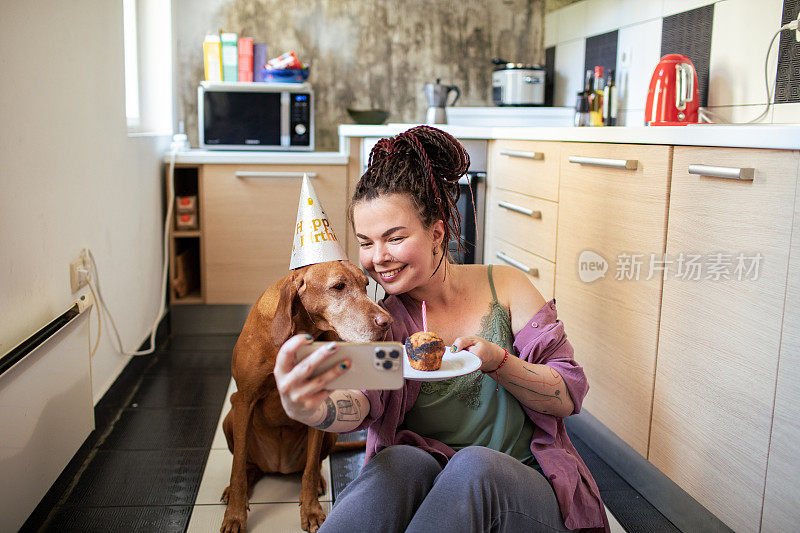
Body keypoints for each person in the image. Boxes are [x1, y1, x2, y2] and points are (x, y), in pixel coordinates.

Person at [274, 125, 610, 532]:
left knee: (473, 465)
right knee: (399, 460)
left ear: (436, 233)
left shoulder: (505, 287)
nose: (378, 258)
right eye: (365, 242)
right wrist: (310, 408)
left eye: (394, 238)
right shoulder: (385, 321)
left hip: (522, 492)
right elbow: (361, 401)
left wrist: (496, 361)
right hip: (437, 495)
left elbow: (567, 394)